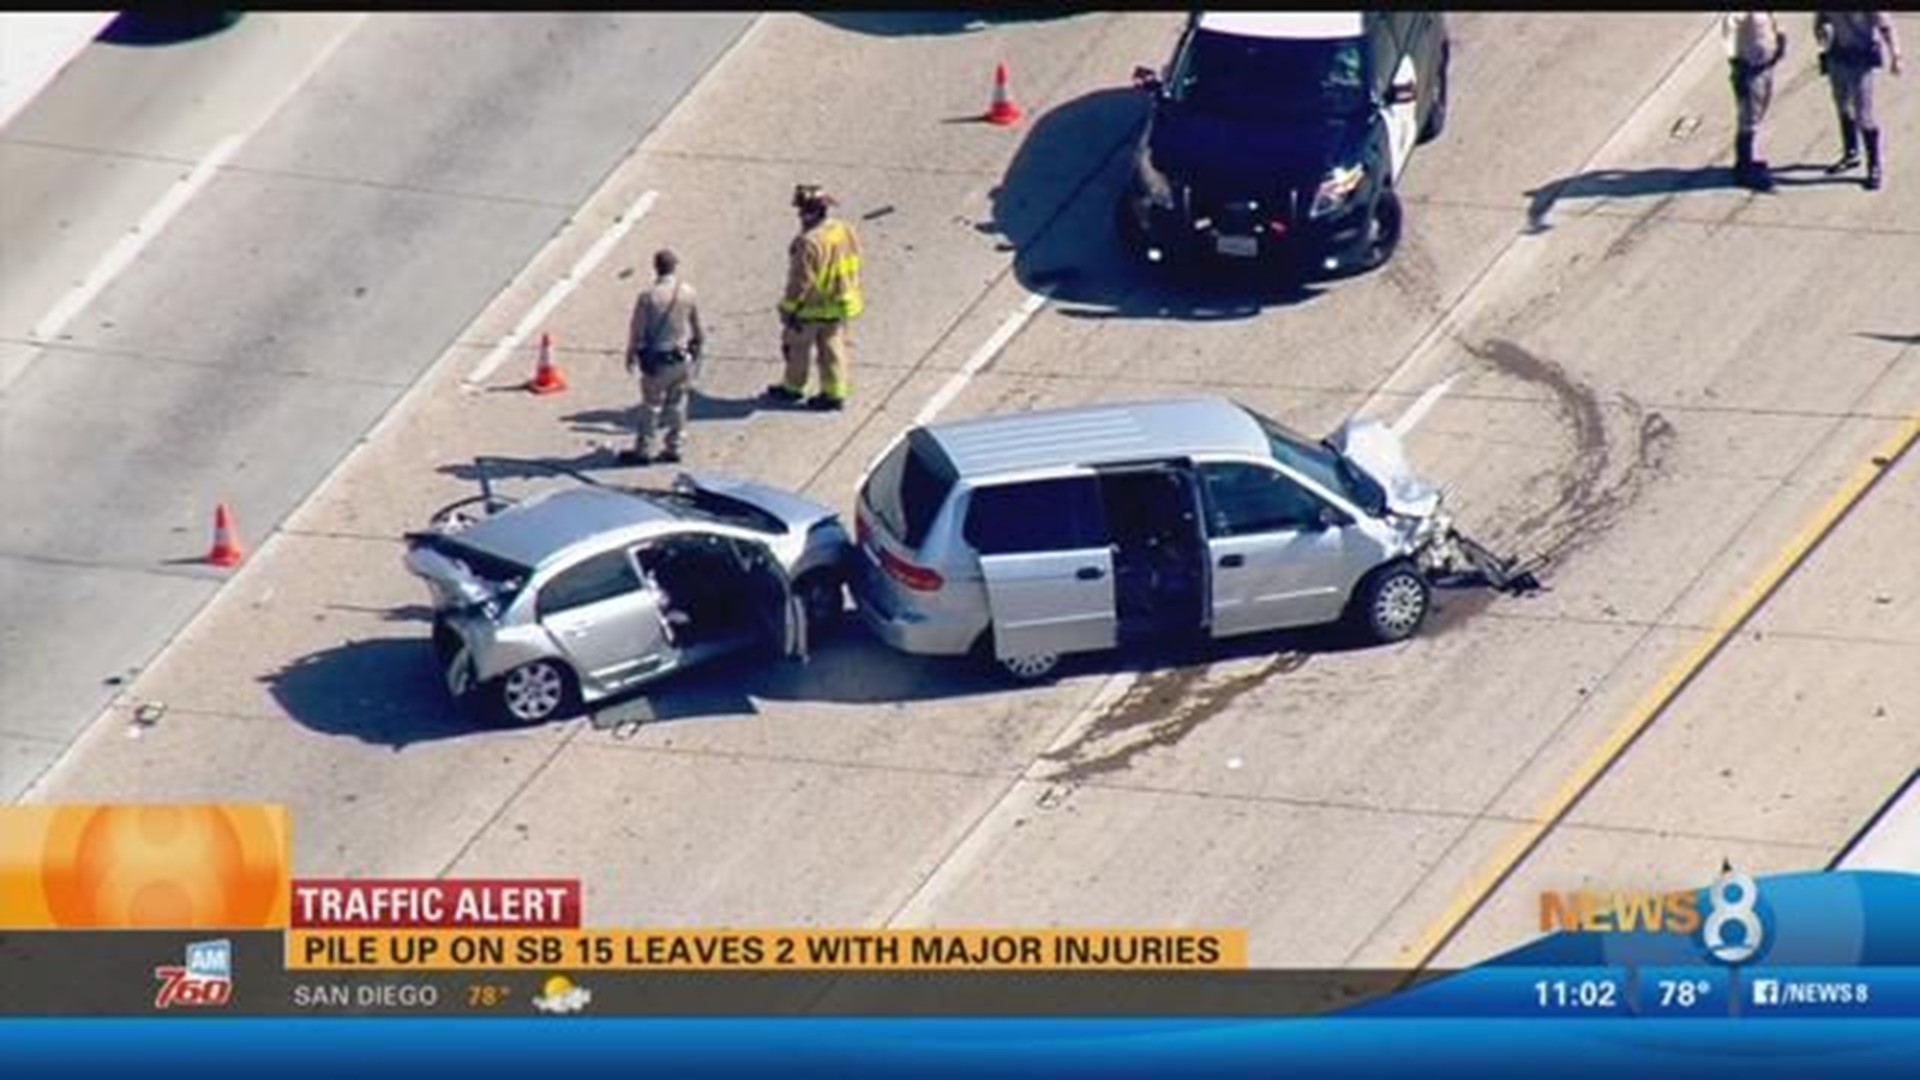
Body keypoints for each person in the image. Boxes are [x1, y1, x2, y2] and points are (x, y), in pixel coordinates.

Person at [765, 184, 863, 411]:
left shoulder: (808, 242)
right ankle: (834, 394)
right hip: (840, 302)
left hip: (813, 307)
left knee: (797, 348)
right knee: (833, 349)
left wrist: (789, 309)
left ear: (806, 213)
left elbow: (800, 281)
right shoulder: (843, 229)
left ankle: (793, 388)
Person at [620, 249, 704, 466]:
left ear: (655, 267)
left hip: (657, 361)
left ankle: (645, 450)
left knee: (651, 406)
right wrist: (697, 348)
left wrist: (631, 353)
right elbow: (696, 326)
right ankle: (674, 447)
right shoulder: (687, 292)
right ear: (674, 266)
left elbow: (637, 330)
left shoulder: (648, 297)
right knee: (678, 403)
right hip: (681, 357)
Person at [1815, 10, 1903, 190]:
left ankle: (1874, 165)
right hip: (1837, 57)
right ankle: (1851, 153)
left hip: (1861, 60)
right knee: (1842, 106)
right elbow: (1820, 21)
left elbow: (1886, 27)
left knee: (1864, 114)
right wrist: (1822, 32)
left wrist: (1896, 55)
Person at [1723, 12, 1786, 191]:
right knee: (1748, 118)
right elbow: (1729, 30)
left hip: (1765, 66)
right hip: (1750, 70)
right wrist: (1735, 61)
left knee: (1758, 113)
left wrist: (1780, 39)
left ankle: (1747, 161)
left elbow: (1773, 22)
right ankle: (1744, 168)